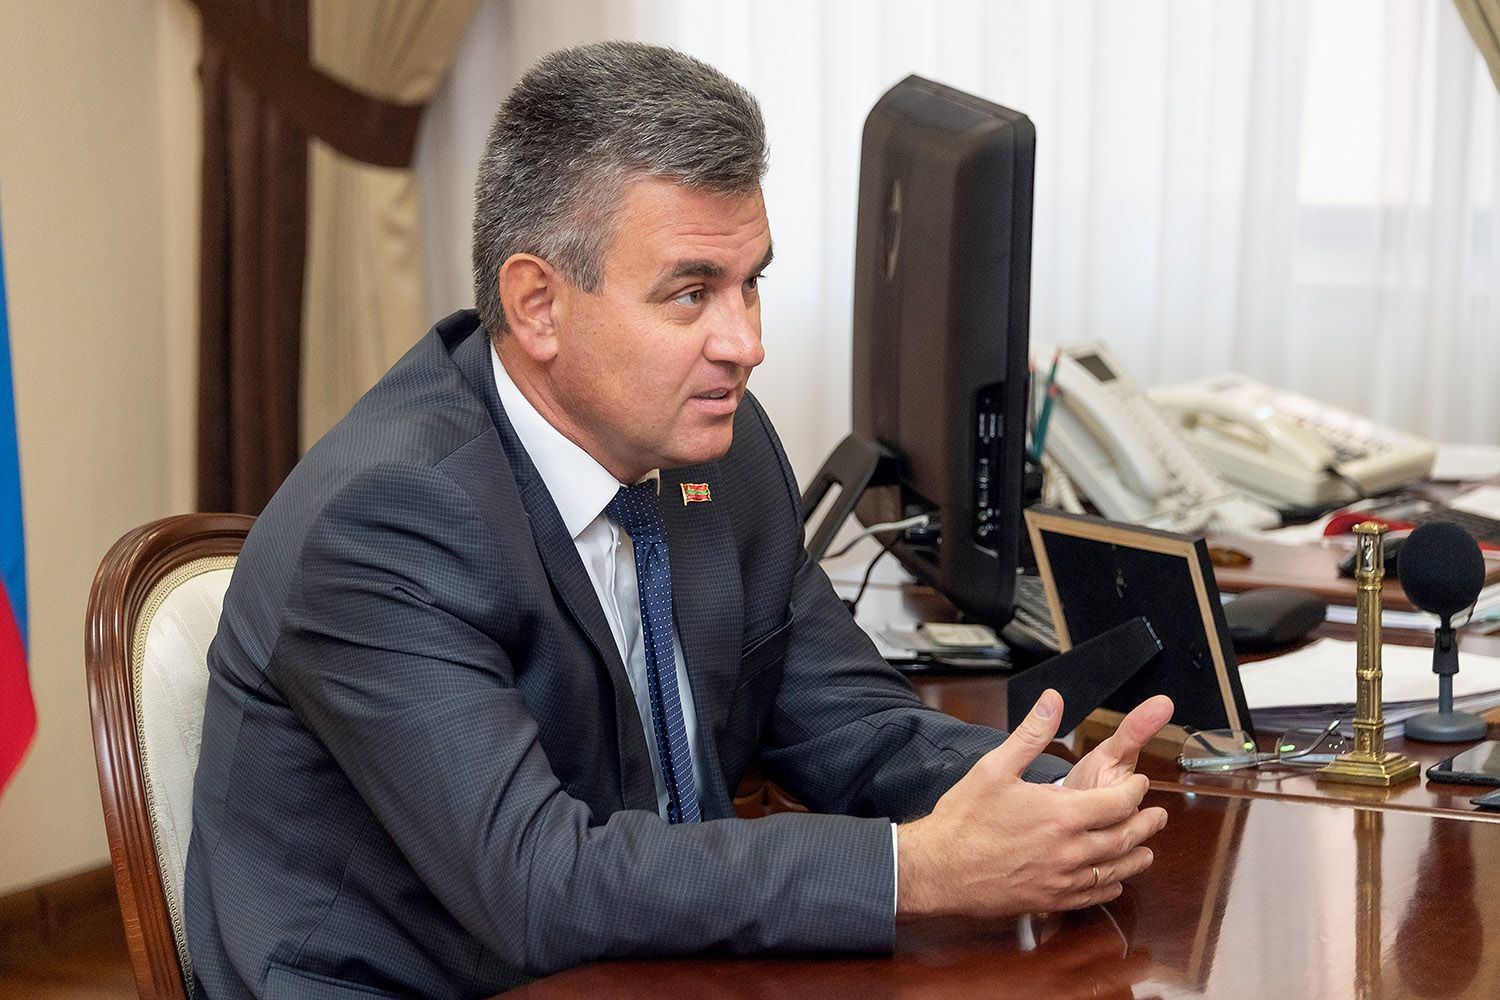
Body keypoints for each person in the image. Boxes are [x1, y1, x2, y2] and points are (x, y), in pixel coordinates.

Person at [184, 40, 1174, 999]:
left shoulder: (717, 452)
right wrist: (909, 871)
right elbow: (537, 885)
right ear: (536, 304)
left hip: (652, 967)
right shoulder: (389, 520)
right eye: (692, 293)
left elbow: (853, 725)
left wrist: (1042, 799)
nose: (745, 345)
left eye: (751, 285)